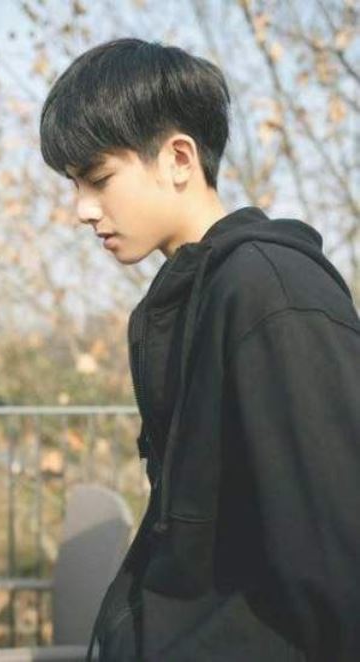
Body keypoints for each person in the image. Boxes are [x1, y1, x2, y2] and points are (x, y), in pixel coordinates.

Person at [40, 37, 360, 662]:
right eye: (74, 184)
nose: (82, 210)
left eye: (98, 179)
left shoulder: (271, 292)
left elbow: (338, 548)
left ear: (179, 158)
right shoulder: (190, 296)